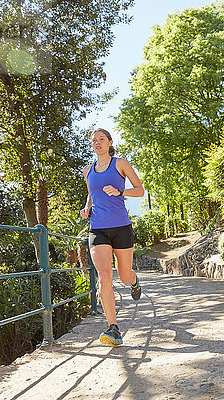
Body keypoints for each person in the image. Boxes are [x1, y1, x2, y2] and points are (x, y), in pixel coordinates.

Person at [80, 128, 144, 346]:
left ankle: (134, 281)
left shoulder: (120, 163)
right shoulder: (88, 170)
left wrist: (120, 192)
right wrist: (86, 207)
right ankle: (113, 328)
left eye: (101, 139)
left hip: (121, 227)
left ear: (110, 142)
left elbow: (139, 190)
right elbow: (92, 194)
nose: (97, 143)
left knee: (124, 276)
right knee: (105, 276)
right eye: (94, 140)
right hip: (97, 228)